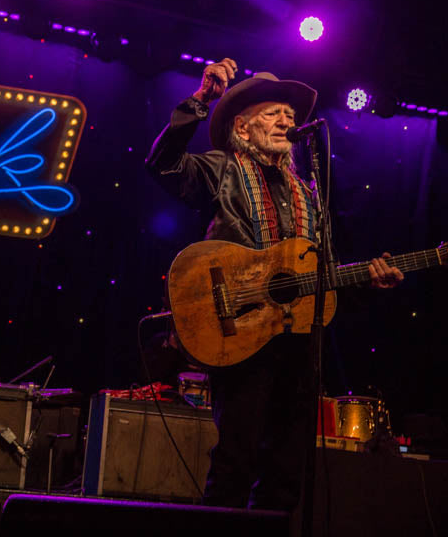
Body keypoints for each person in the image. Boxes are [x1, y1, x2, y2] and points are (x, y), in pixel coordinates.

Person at [145, 58, 403, 511]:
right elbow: (163, 165)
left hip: (297, 343)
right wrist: (201, 100)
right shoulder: (223, 168)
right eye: (274, 112)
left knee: (286, 470)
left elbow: (325, 276)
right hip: (241, 330)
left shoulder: (308, 193)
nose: (288, 120)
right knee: (236, 461)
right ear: (242, 129)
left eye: (291, 114)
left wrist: (367, 281)